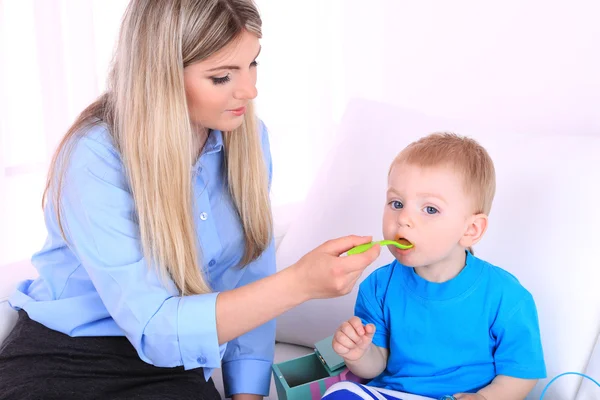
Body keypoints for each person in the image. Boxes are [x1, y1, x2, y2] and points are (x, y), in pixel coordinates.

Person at [0, 1, 380, 399]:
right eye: (221, 77)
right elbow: (155, 328)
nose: (249, 90)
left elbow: (251, 279)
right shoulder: (95, 158)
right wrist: (301, 282)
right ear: (160, 76)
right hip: (68, 358)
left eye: (253, 63)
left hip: (172, 367)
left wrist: (247, 394)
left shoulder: (249, 140)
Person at [322, 133, 546, 400]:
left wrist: (485, 398)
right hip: (396, 395)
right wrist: (358, 353)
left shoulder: (505, 295)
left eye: (430, 209)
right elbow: (376, 364)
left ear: (471, 229)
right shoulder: (378, 287)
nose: (403, 219)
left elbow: (522, 372)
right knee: (340, 392)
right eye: (396, 203)